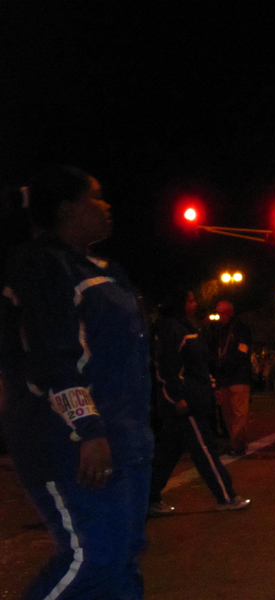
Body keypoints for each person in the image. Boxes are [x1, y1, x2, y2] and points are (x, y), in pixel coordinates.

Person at [0, 166, 154, 599]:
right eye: (97, 197)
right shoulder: (41, 264)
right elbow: (52, 360)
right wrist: (88, 430)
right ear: (69, 208)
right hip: (69, 444)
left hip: (125, 441)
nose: (107, 207)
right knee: (92, 558)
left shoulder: (105, 268)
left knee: (123, 557)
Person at [149, 289, 250, 514]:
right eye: (190, 300)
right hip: (187, 402)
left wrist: (211, 385)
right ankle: (226, 496)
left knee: (168, 452)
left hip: (194, 397)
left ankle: (148, 498)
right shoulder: (170, 329)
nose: (195, 304)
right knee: (204, 449)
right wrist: (178, 397)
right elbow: (167, 369)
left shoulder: (186, 327)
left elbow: (198, 364)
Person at [212, 300, 252, 456]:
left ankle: (237, 445)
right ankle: (235, 441)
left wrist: (228, 364)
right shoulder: (219, 331)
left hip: (239, 376)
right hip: (224, 378)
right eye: (219, 313)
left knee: (239, 413)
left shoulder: (241, 329)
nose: (221, 316)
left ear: (230, 312)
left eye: (223, 312)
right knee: (226, 412)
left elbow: (242, 351)